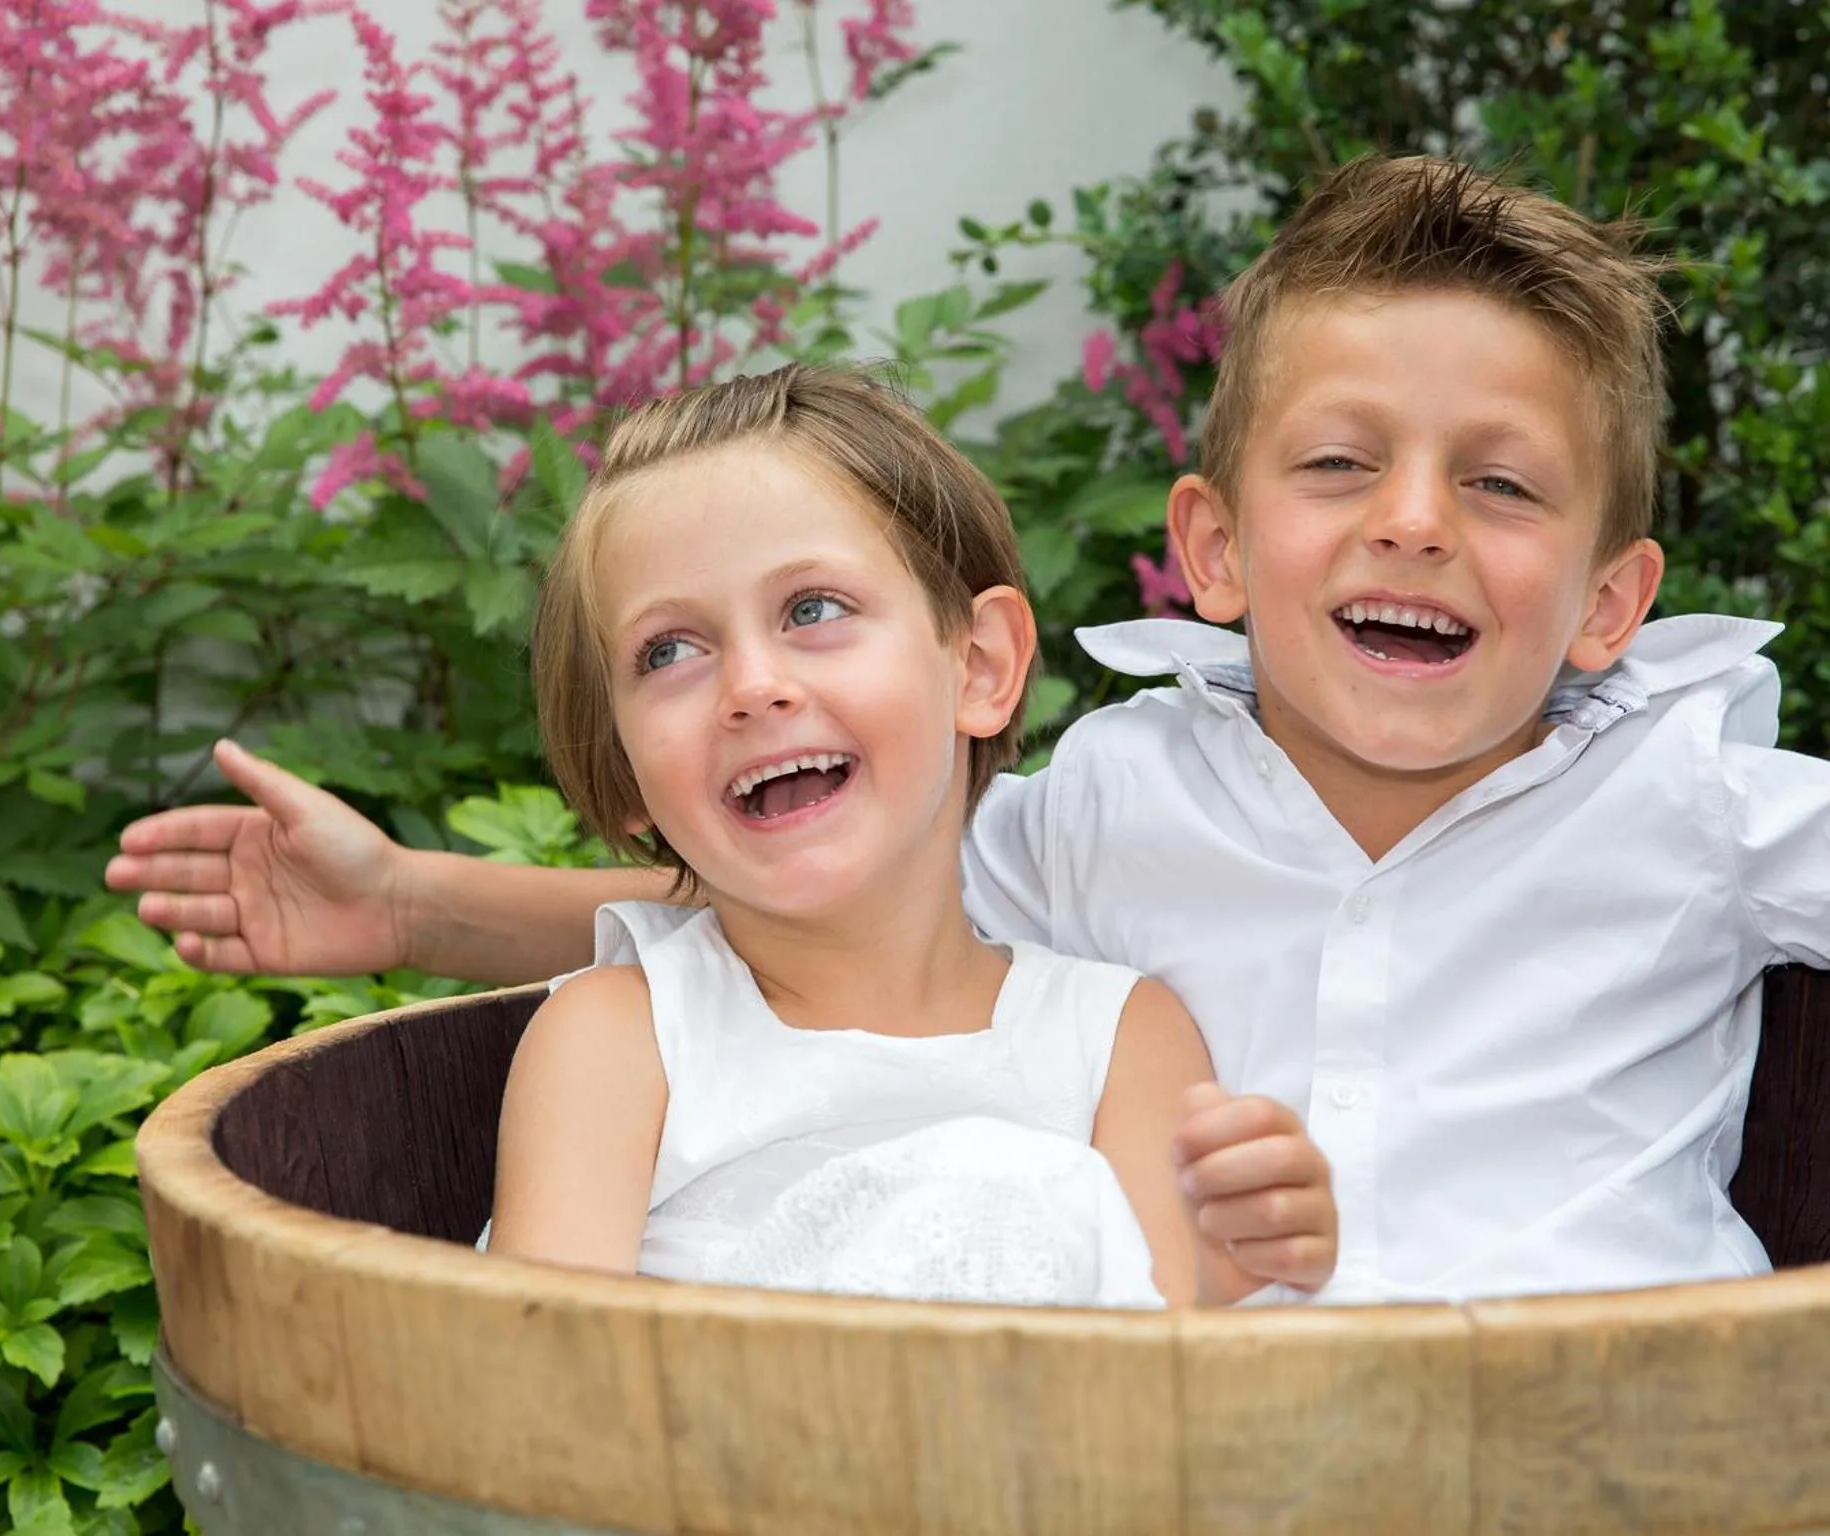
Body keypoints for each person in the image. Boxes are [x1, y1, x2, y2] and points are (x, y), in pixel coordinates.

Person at [108, 153, 1830, 1304]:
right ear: (1212, 549)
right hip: (1228, 1436)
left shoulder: (1692, 803)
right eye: (1336, 462)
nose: (1412, 522)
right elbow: (822, 919)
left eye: (1500, 484)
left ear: (1610, 602)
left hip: (1636, 1434)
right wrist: (413, 904)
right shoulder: (1120, 806)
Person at [504, 365, 1332, 1306]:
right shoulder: (626, 1041)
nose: (751, 685)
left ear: (978, 665)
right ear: (624, 769)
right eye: (669, 651)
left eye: (812, 609)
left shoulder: (1114, 1042)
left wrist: (1226, 1260)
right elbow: (546, 1387)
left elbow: (1153, 1376)